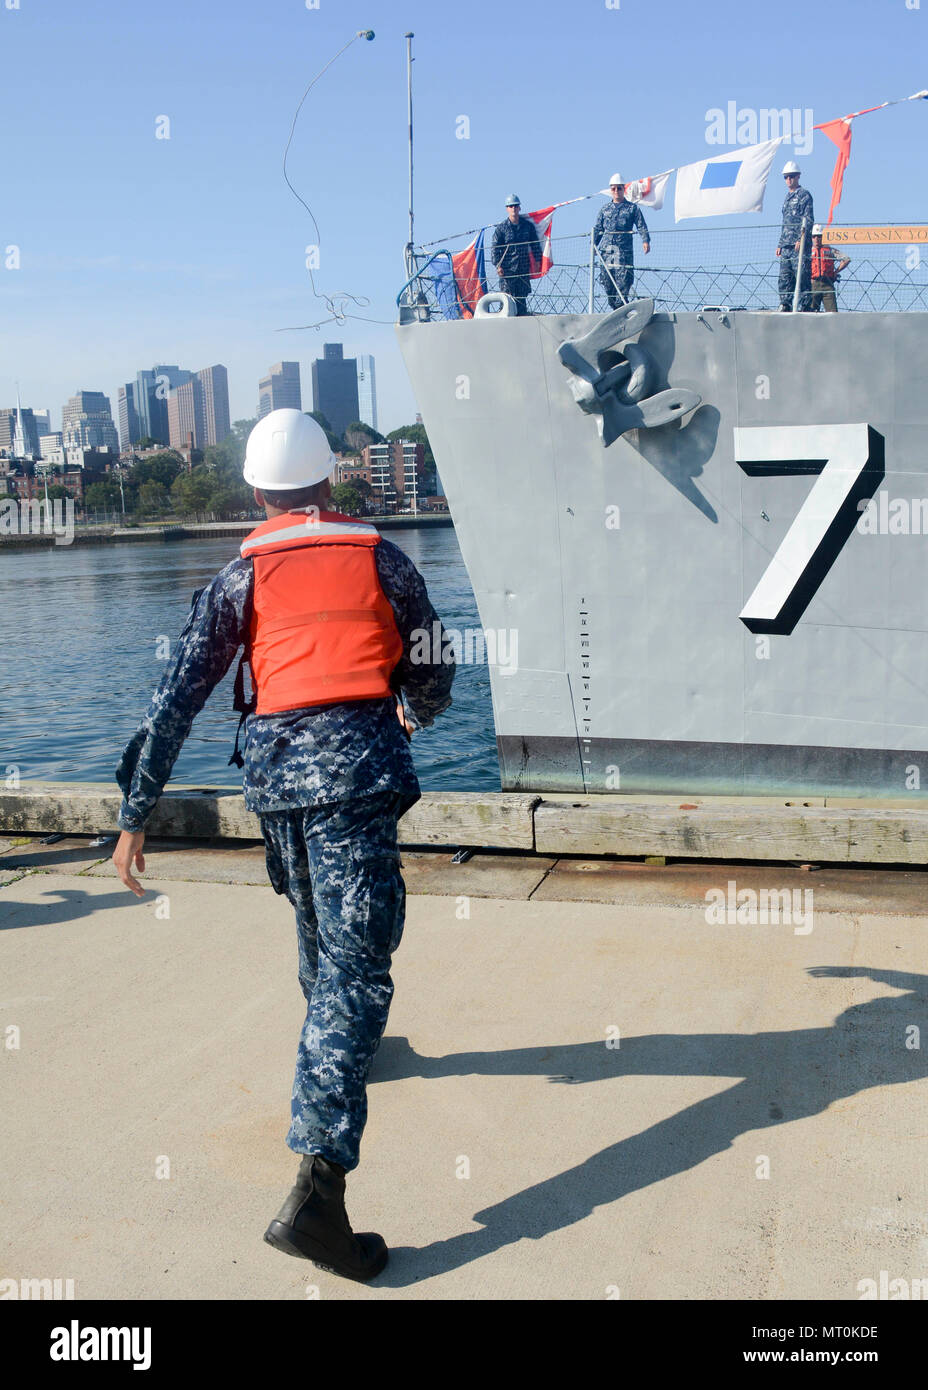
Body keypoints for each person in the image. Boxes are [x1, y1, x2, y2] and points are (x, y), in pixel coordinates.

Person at [111, 408, 455, 1283]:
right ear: (329, 486)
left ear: (259, 495)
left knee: (319, 934)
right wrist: (411, 709)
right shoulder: (382, 558)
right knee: (358, 967)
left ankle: (334, 1047)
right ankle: (320, 1193)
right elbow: (434, 662)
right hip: (356, 781)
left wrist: (135, 811)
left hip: (274, 786)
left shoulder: (240, 578)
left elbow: (175, 698)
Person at [593, 174, 651, 309]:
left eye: (619, 188)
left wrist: (645, 240)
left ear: (623, 189)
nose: (616, 191)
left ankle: (622, 307)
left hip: (623, 251)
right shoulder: (604, 209)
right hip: (607, 251)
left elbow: (641, 225)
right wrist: (593, 244)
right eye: (613, 189)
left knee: (624, 281)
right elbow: (598, 228)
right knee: (607, 281)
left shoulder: (632, 208)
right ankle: (615, 307)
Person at [490, 194, 543, 315]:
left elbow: (535, 244)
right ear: (507, 209)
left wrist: (537, 261)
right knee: (506, 300)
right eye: (510, 206)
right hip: (508, 270)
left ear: (519, 208)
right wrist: (498, 266)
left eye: (515, 206)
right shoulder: (501, 229)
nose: (513, 208)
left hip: (523, 268)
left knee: (521, 301)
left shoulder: (527, 226)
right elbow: (495, 249)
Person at [776, 160, 814, 311]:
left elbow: (808, 219)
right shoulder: (787, 197)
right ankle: (785, 303)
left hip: (799, 245)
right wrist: (780, 244)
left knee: (802, 275)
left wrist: (801, 239)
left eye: (791, 176)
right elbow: (784, 222)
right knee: (785, 276)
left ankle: (805, 305)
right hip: (786, 244)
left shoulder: (804, 195)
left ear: (798, 176)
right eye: (786, 177)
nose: (789, 179)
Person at [809, 224, 851, 312]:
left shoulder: (830, 250)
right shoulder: (808, 252)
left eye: (819, 236)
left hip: (828, 284)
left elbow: (846, 259)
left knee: (832, 313)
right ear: (811, 238)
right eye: (814, 236)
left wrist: (835, 272)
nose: (816, 239)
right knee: (810, 312)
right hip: (813, 285)